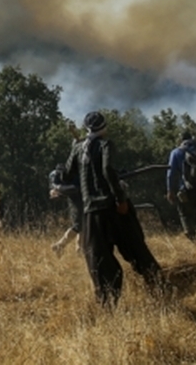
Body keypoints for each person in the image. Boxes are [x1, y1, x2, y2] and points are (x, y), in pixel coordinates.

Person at [64, 110, 162, 305]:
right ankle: (159, 289)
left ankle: (107, 303)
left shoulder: (78, 148)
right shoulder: (105, 144)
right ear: (104, 127)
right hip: (113, 207)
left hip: (92, 211)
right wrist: (121, 199)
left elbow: (68, 173)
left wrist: (73, 149)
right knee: (136, 248)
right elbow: (107, 170)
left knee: (100, 261)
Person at [48, 161, 81, 256]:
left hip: (81, 197)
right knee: (79, 225)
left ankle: (79, 250)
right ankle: (60, 245)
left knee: (84, 225)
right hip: (76, 199)